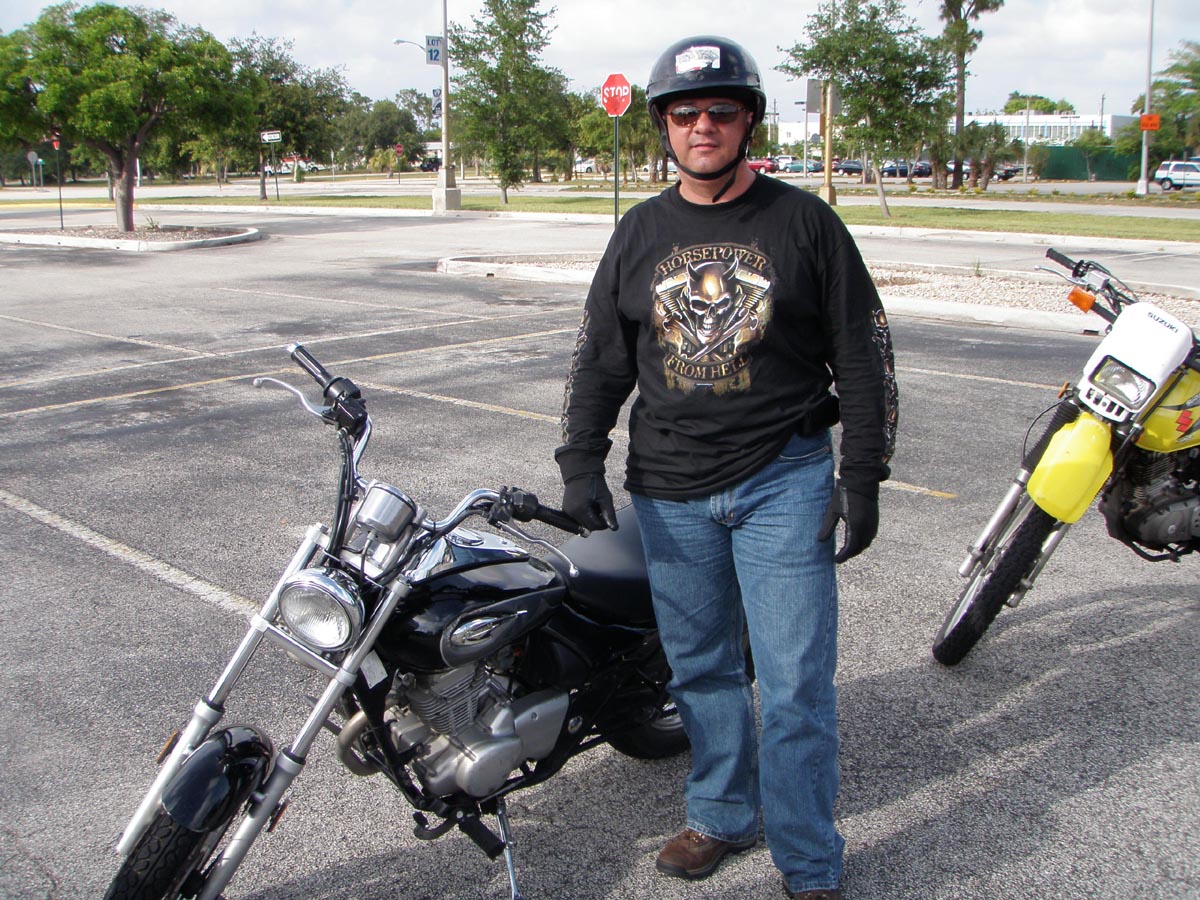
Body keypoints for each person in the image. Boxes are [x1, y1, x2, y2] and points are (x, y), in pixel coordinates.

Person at [555, 35, 898, 900]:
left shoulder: (804, 223)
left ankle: (809, 857)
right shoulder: (640, 231)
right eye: (684, 113)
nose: (701, 126)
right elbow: (600, 358)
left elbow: (862, 353)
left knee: (793, 683)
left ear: (748, 121)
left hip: (784, 478)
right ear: (664, 127)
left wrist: (863, 474)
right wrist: (580, 461)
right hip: (669, 492)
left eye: (720, 110)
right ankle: (719, 814)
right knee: (701, 671)